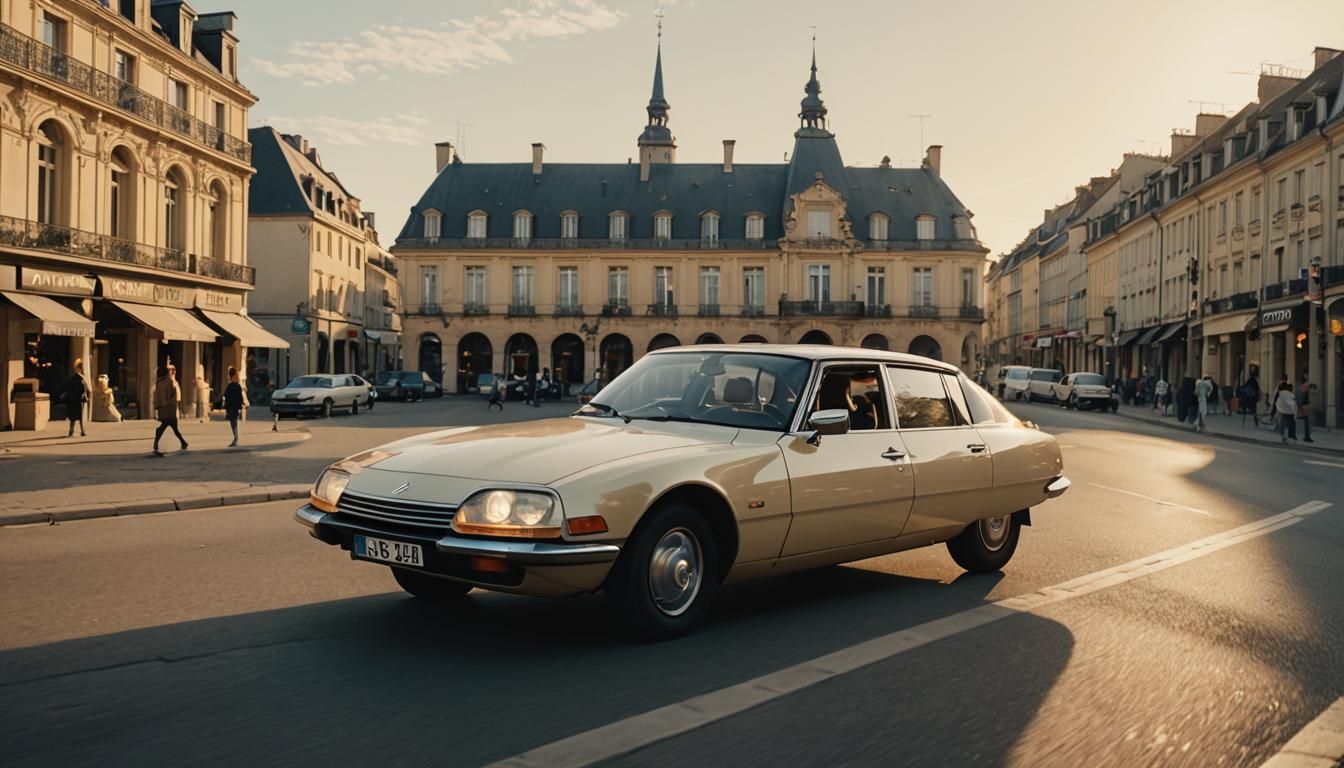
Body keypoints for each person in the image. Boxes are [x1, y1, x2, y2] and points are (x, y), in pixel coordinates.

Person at [152, 364, 188, 456]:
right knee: (171, 426)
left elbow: (156, 396)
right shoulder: (171, 382)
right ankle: (183, 442)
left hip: (163, 408)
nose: (173, 371)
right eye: (171, 370)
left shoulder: (158, 383)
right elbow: (175, 396)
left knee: (169, 426)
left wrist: (157, 406)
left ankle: (183, 442)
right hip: (170, 408)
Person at [223, 366, 248, 447]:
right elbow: (240, 397)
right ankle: (235, 437)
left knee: (233, 422)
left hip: (231, 407)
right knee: (234, 422)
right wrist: (241, 405)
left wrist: (226, 406)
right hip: (235, 407)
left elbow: (226, 396)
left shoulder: (230, 386)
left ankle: (235, 438)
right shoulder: (237, 386)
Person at [63, 358, 89, 437]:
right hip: (79, 399)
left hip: (73, 399)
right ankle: (82, 431)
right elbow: (84, 388)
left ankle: (71, 431)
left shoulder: (73, 377)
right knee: (80, 416)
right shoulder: (81, 378)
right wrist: (85, 396)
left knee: (73, 417)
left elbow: (69, 387)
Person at [1297, 376, 1314, 444]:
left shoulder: (1301, 387)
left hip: (1302, 405)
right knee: (1307, 422)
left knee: (1306, 422)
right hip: (1305, 405)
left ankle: (1307, 436)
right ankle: (1307, 437)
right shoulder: (1305, 386)